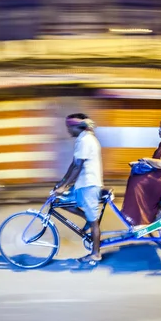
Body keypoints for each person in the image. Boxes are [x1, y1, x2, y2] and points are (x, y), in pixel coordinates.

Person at [53, 113, 103, 265]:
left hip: (89, 184)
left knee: (94, 223)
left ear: (76, 127)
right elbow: (73, 165)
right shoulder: (82, 139)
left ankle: (96, 254)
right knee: (58, 201)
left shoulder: (86, 140)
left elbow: (78, 166)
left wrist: (64, 186)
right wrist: (61, 183)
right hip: (82, 184)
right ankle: (87, 218)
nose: (68, 131)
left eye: (69, 127)